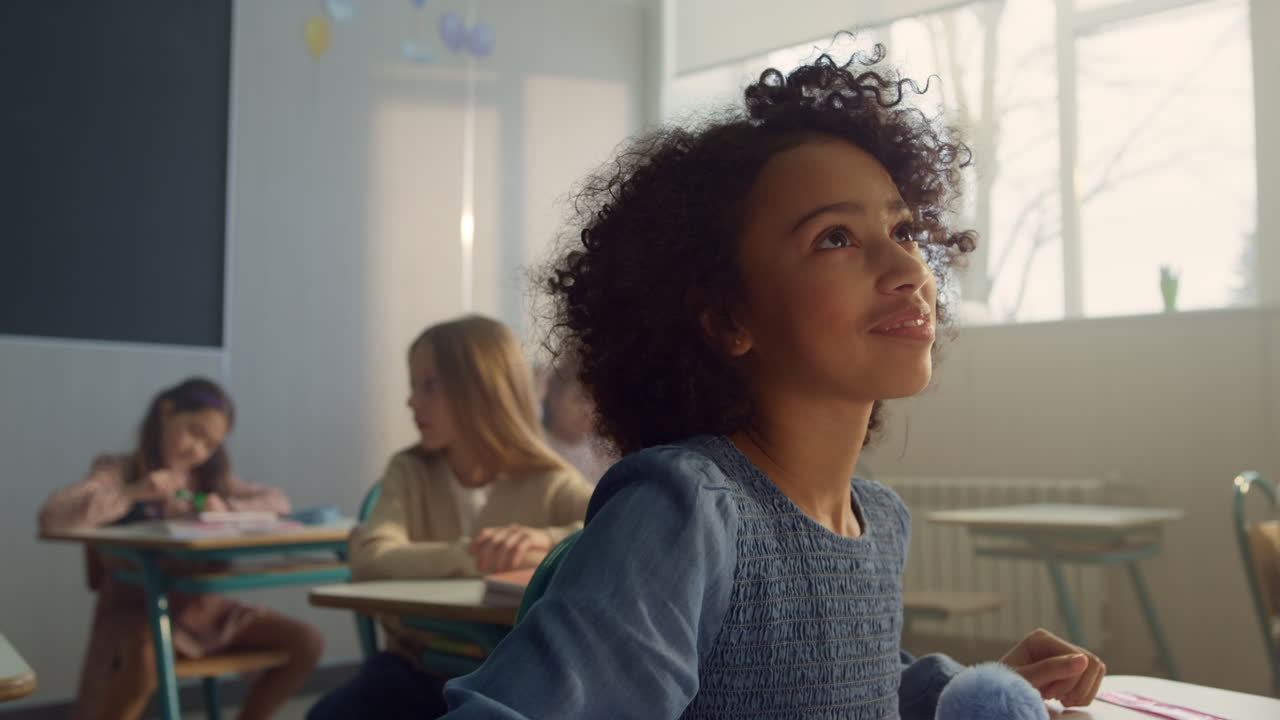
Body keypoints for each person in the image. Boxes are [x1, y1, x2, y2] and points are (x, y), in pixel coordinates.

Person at [441, 47, 1106, 719]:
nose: (908, 268)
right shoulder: (687, 509)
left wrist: (973, 689)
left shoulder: (879, 521)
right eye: (836, 238)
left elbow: (840, 691)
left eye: (903, 229)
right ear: (728, 317)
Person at [307, 314, 594, 720]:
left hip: (515, 676)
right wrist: (474, 555)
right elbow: (370, 557)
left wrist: (545, 545)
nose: (411, 401)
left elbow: (611, 530)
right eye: (413, 387)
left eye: (431, 386)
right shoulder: (409, 472)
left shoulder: (549, 480)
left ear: (483, 392)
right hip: (416, 667)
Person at [38, 377, 324, 720]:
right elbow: (53, 516)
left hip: (207, 612)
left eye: (210, 445)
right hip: (138, 611)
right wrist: (132, 492)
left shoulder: (206, 480)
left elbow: (278, 500)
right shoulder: (120, 470)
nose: (197, 451)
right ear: (166, 411)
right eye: (194, 432)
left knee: (306, 642)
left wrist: (225, 508)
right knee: (146, 656)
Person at [541, 357, 614, 485]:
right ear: (554, 398)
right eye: (579, 399)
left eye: (595, 401)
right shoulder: (536, 450)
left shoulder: (604, 456)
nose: (588, 410)